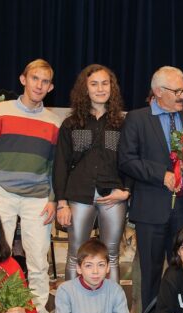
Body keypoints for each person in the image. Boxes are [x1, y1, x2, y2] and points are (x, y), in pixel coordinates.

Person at [0, 59, 62, 313]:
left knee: (38, 259)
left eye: (45, 81)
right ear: (23, 79)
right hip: (1, 193)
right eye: (35, 78)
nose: (39, 85)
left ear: (50, 88)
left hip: (38, 197)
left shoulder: (54, 122)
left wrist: (53, 199)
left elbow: (55, 167)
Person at [118, 66, 183, 310]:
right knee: (151, 273)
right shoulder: (137, 119)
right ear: (158, 91)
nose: (182, 96)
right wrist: (160, 174)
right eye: (176, 91)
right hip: (151, 209)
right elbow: (126, 160)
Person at [54, 64, 129, 282]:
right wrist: (62, 203)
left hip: (113, 196)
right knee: (75, 255)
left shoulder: (122, 124)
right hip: (79, 195)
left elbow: (129, 162)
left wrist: (126, 191)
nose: (100, 89)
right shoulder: (71, 124)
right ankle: (71, 301)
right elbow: (60, 164)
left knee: (111, 256)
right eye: (94, 84)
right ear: (85, 89)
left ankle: (112, 303)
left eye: (105, 83)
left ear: (112, 87)